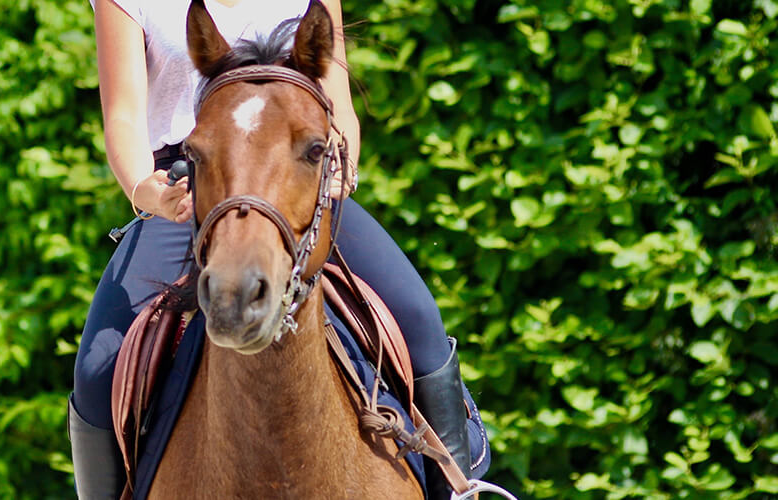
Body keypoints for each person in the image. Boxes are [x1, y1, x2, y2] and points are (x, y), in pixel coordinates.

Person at [70, 1, 490, 498]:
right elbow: (122, 115)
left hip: (296, 179)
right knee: (100, 365)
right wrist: (147, 191)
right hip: (190, 185)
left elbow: (339, 105)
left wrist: (338, 166)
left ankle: (462, 490)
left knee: (419, 319)